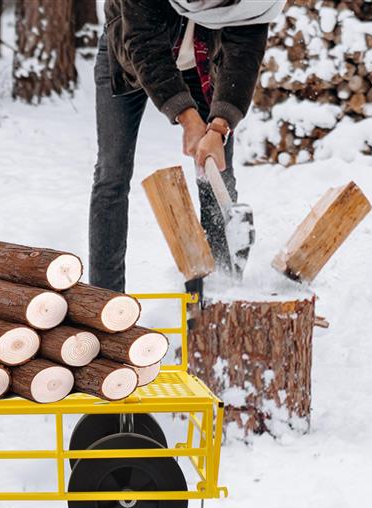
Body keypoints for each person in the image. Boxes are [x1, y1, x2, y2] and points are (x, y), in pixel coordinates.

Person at [89, 0, 286, 293]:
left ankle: (219, 298)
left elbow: (245, 48)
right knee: (112, 174)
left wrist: (219, 126)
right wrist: (187, 116)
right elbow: (144, 43)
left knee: (217, 172)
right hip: (129, 52)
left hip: (203, 62)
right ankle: (106, 302)